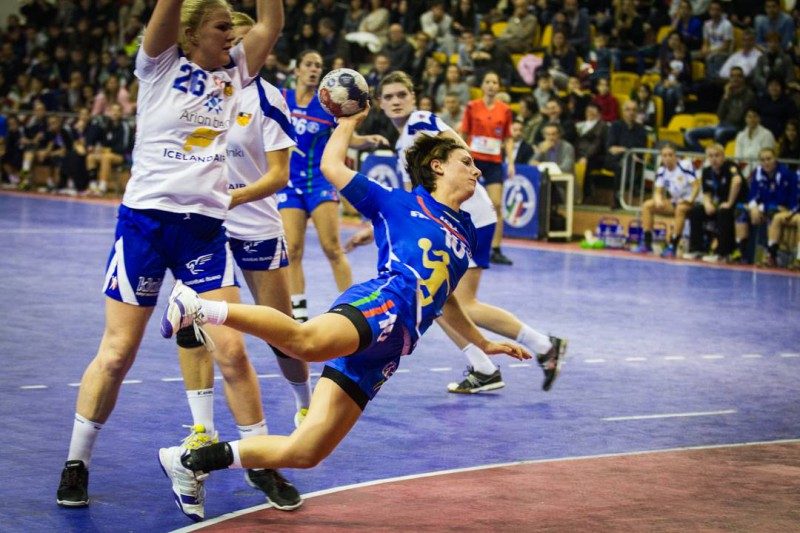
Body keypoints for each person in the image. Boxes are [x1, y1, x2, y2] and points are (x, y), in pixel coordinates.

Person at [157, 107, 531, 487]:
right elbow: (332, 167)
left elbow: (443, 298)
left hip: (390, 349)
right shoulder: (398, 203)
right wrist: (349, 122)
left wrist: (482, 342)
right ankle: (197, 306)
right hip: (384, 304)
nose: (477, 171)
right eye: (466, 162)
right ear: (438, 166)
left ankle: (188, 462)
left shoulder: (465, 230)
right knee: (306, 343)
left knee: (306, 452)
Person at [56, 0, 284, 521]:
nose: (232, 35)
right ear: (191, 33)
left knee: (233, 351)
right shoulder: (159, 63)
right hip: (146, 224)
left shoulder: (235, 72)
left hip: (202, 231)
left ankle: (260, 461)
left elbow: (270, 22)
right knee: (117, 353)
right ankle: (76, 462)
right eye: (221, 27)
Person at [169, 10, 310, 513]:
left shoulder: (267, 98)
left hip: (256, 225)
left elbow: (278, 177)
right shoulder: (198, 91)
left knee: (282, 329)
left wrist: (231, 197)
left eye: (244, 40)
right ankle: (206, 431)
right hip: (204, 229)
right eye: (229, 39)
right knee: (199, 325)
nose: (235, 48)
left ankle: (305, 406)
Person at [348, 70, 566, 393]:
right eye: (389, 97)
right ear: (379, 103)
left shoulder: (420, 122)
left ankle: (542, 345)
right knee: (434, 298)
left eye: (402, 95)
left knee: (460, 303)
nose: (396, 101)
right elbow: (411, 200)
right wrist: (374, 226)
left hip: (468, 219)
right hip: (452, 221)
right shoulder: (404, 140)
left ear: (413, 97)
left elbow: (460, 149)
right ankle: (485, 366)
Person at [277, 49, 388, 325]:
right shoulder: (282, 98)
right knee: (293, 250)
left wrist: (367, 140)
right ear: (297, 70)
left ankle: (353, 308)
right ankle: (299, 314)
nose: (314, 69)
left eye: (318, 65)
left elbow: (348, 137)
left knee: (332, 248)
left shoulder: (328, 106)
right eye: (309, 64)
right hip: (289, 184)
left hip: (319, 183)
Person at [460, 70, 515, 265]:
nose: (491, 85)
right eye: (488, 82)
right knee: (463, 200)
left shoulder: (505, 110)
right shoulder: (472, 106)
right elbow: (463, 133)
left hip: (494, 162)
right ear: (482, 86)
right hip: (473, 160)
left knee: (497, 204)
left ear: (498, 87)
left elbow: (508, 138)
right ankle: (460, 241)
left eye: (495, 82)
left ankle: (496, 249)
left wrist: (511, 162)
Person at [633, 143, 700, 257]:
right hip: (675, 201)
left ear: (675, 156)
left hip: (693, 201)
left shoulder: (685, 165)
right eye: (664, 155)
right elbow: (658, 191)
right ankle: (647, 243)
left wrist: (690, 200)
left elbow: (696, 186)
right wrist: (658, 200)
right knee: (647, 205)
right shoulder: (661, 170)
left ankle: (672, 246)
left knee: (680, 208)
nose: (667, 158)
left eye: (670, 155)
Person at [684, 143, 746, 263]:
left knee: (724, 212)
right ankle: (697, 249)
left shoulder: (731, 167)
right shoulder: (707, 171)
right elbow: (707, 193)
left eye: (717, 155)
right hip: (719, 203)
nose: (714, 159)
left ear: (723, 156)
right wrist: (708, 204)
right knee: (696, 211)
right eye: (711, 156)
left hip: (737, 203)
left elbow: (737, 181)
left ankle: (722, 253)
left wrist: (729, 202)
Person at [739, 147, 798, 267]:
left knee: (772, 211)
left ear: (775, 159)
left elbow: (781, 199)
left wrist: (761, 207)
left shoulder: (785, 173)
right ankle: (742, 254)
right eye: (762, 160)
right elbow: (752, 195)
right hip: (764, 206)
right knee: (740, 211)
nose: (766, 162)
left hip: (783, 207)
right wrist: (754, 207)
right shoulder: (758, 172)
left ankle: (771, 255)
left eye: (769, 159)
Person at [606, 100, 648, 209]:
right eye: (628, 110)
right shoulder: (615, 126)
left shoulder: (641, 129)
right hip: (615, 159)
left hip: (634, 161)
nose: (631, 112)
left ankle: (619, 196)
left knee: (627, 163)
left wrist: (629, 153)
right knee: (622, 164)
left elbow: (641, 150)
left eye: (634, 110)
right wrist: (627, 151)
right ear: (623, 111)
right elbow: (611, 148)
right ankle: (628, 190)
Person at [734, 107, 776, 175]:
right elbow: (737, 158)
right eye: (749, 117)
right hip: (743, 173)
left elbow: (767, 160)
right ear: (745, 119)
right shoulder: (740, 136)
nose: (752, 119)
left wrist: (752, 175)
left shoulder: (767, 135)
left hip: (762, 172)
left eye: (755, 116)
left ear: (759, 118)